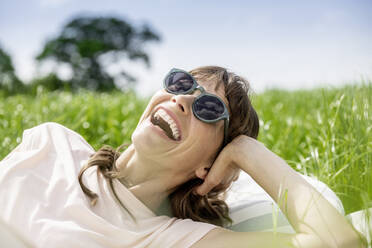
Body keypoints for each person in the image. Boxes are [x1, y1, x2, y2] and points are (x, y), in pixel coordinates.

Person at [0, 66, 366, 248]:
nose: (183, 99)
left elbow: (337, 242)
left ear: (208, 165)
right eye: (180, 84)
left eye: (209, 108)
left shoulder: (173, 239)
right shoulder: (51, 142)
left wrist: (246, 151)